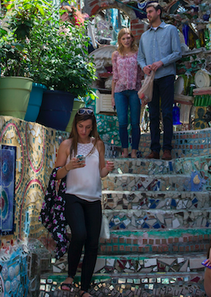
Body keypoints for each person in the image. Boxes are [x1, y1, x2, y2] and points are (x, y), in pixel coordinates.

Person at [53, 108, 115, 297]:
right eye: (80, 126)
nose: (84, 131)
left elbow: (101, 173)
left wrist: (108, 169)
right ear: (75, 125)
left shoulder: (98, 145)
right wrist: (68, 166)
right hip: (73, 197)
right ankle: (70, 276)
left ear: (92, 127)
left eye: (88, 127)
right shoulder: (67, 145)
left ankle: (84, 289)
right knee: (79, 234)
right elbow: (55, 175)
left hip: (94, 199)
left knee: (92, 244)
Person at [137, 1, 184, 160]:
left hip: (166, 77)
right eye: (147, 12)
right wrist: (144, 67)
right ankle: (154, 149)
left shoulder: (171, 30)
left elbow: (178, 53)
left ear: (158, 12)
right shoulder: (144, 36)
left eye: (150, 11)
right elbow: (140, 58)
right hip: (150, 81)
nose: (148, 14)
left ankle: (167, 149)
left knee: (168, 112)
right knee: (154, 114)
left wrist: (161, 62)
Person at [111, 28, 142, 159]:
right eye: (123, 38)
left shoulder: (138, 53)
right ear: (119, 40)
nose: (126, 41)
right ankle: (125, 151)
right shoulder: (116, 55)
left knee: (135, 122)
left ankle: (133, 151)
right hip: (120, 91)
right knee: (123, 122)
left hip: (135, 90)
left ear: (132, 38)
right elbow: (115, 76)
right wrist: (112, 96)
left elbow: (142, 72)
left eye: (128, 38)